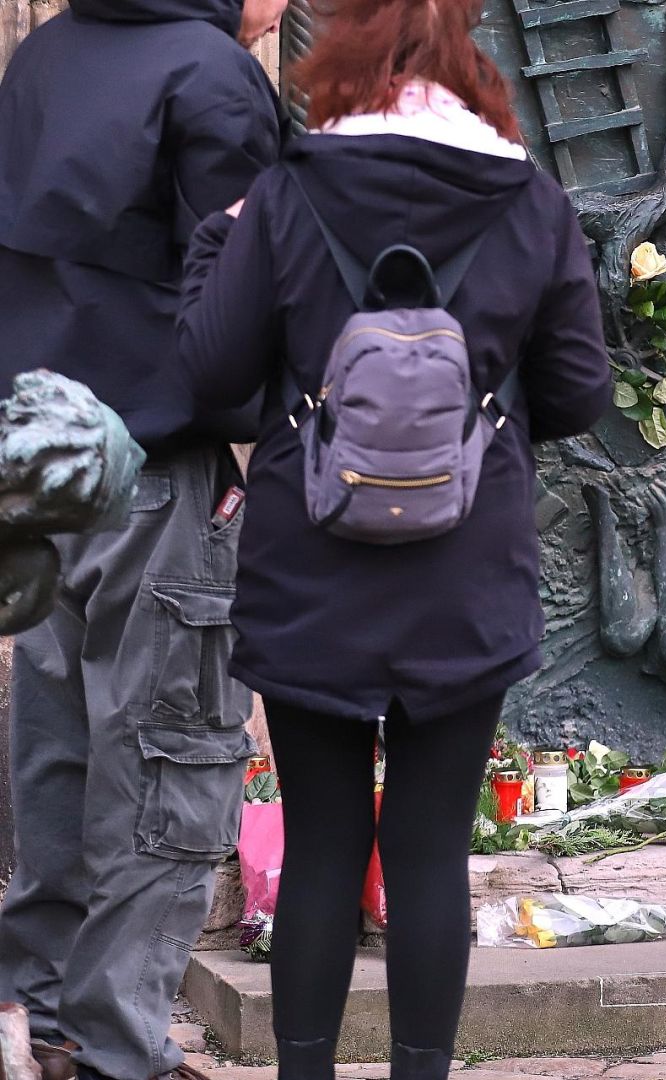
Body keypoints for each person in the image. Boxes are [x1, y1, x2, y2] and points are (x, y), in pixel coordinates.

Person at [174, 2, 612, 1078]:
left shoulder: (285, 196)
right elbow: (580, 392)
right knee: (428, 852)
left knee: (323, 845)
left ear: (341, 61)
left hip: (310, 564)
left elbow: (212, 379)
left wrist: (219, 242)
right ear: (471, 71)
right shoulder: (530, 200)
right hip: (465, 569)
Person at [0, 2, 284, 1080]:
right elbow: (245, 292)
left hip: (42, 461)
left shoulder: (49, 52)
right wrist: (249, 448)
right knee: (168, 762)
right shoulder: (208, 74)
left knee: (62, 756)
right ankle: (118, 1051)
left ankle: (36, 1022)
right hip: (155, 467)